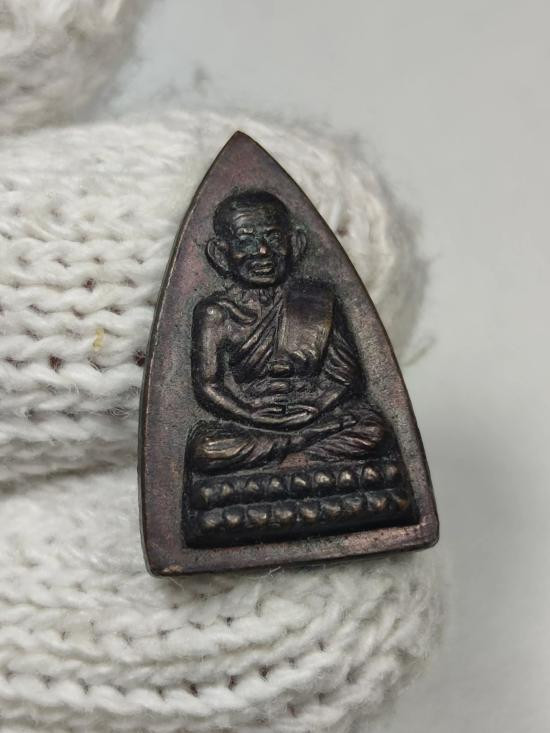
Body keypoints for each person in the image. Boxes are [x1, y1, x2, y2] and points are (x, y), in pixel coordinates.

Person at [188, 190, 388, 474]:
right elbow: (208, 385)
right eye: (246, 240)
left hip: (313, 413)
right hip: (252, 419)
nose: (262, 251)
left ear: (295, 243)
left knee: (373, 429)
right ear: (221, 253)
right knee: (206, 449)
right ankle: (304, 459)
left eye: (273, 238)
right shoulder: (216, 313)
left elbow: (346, 377)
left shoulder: (317, 301)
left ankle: (283, 463)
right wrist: (251, 413)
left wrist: (316, 407)